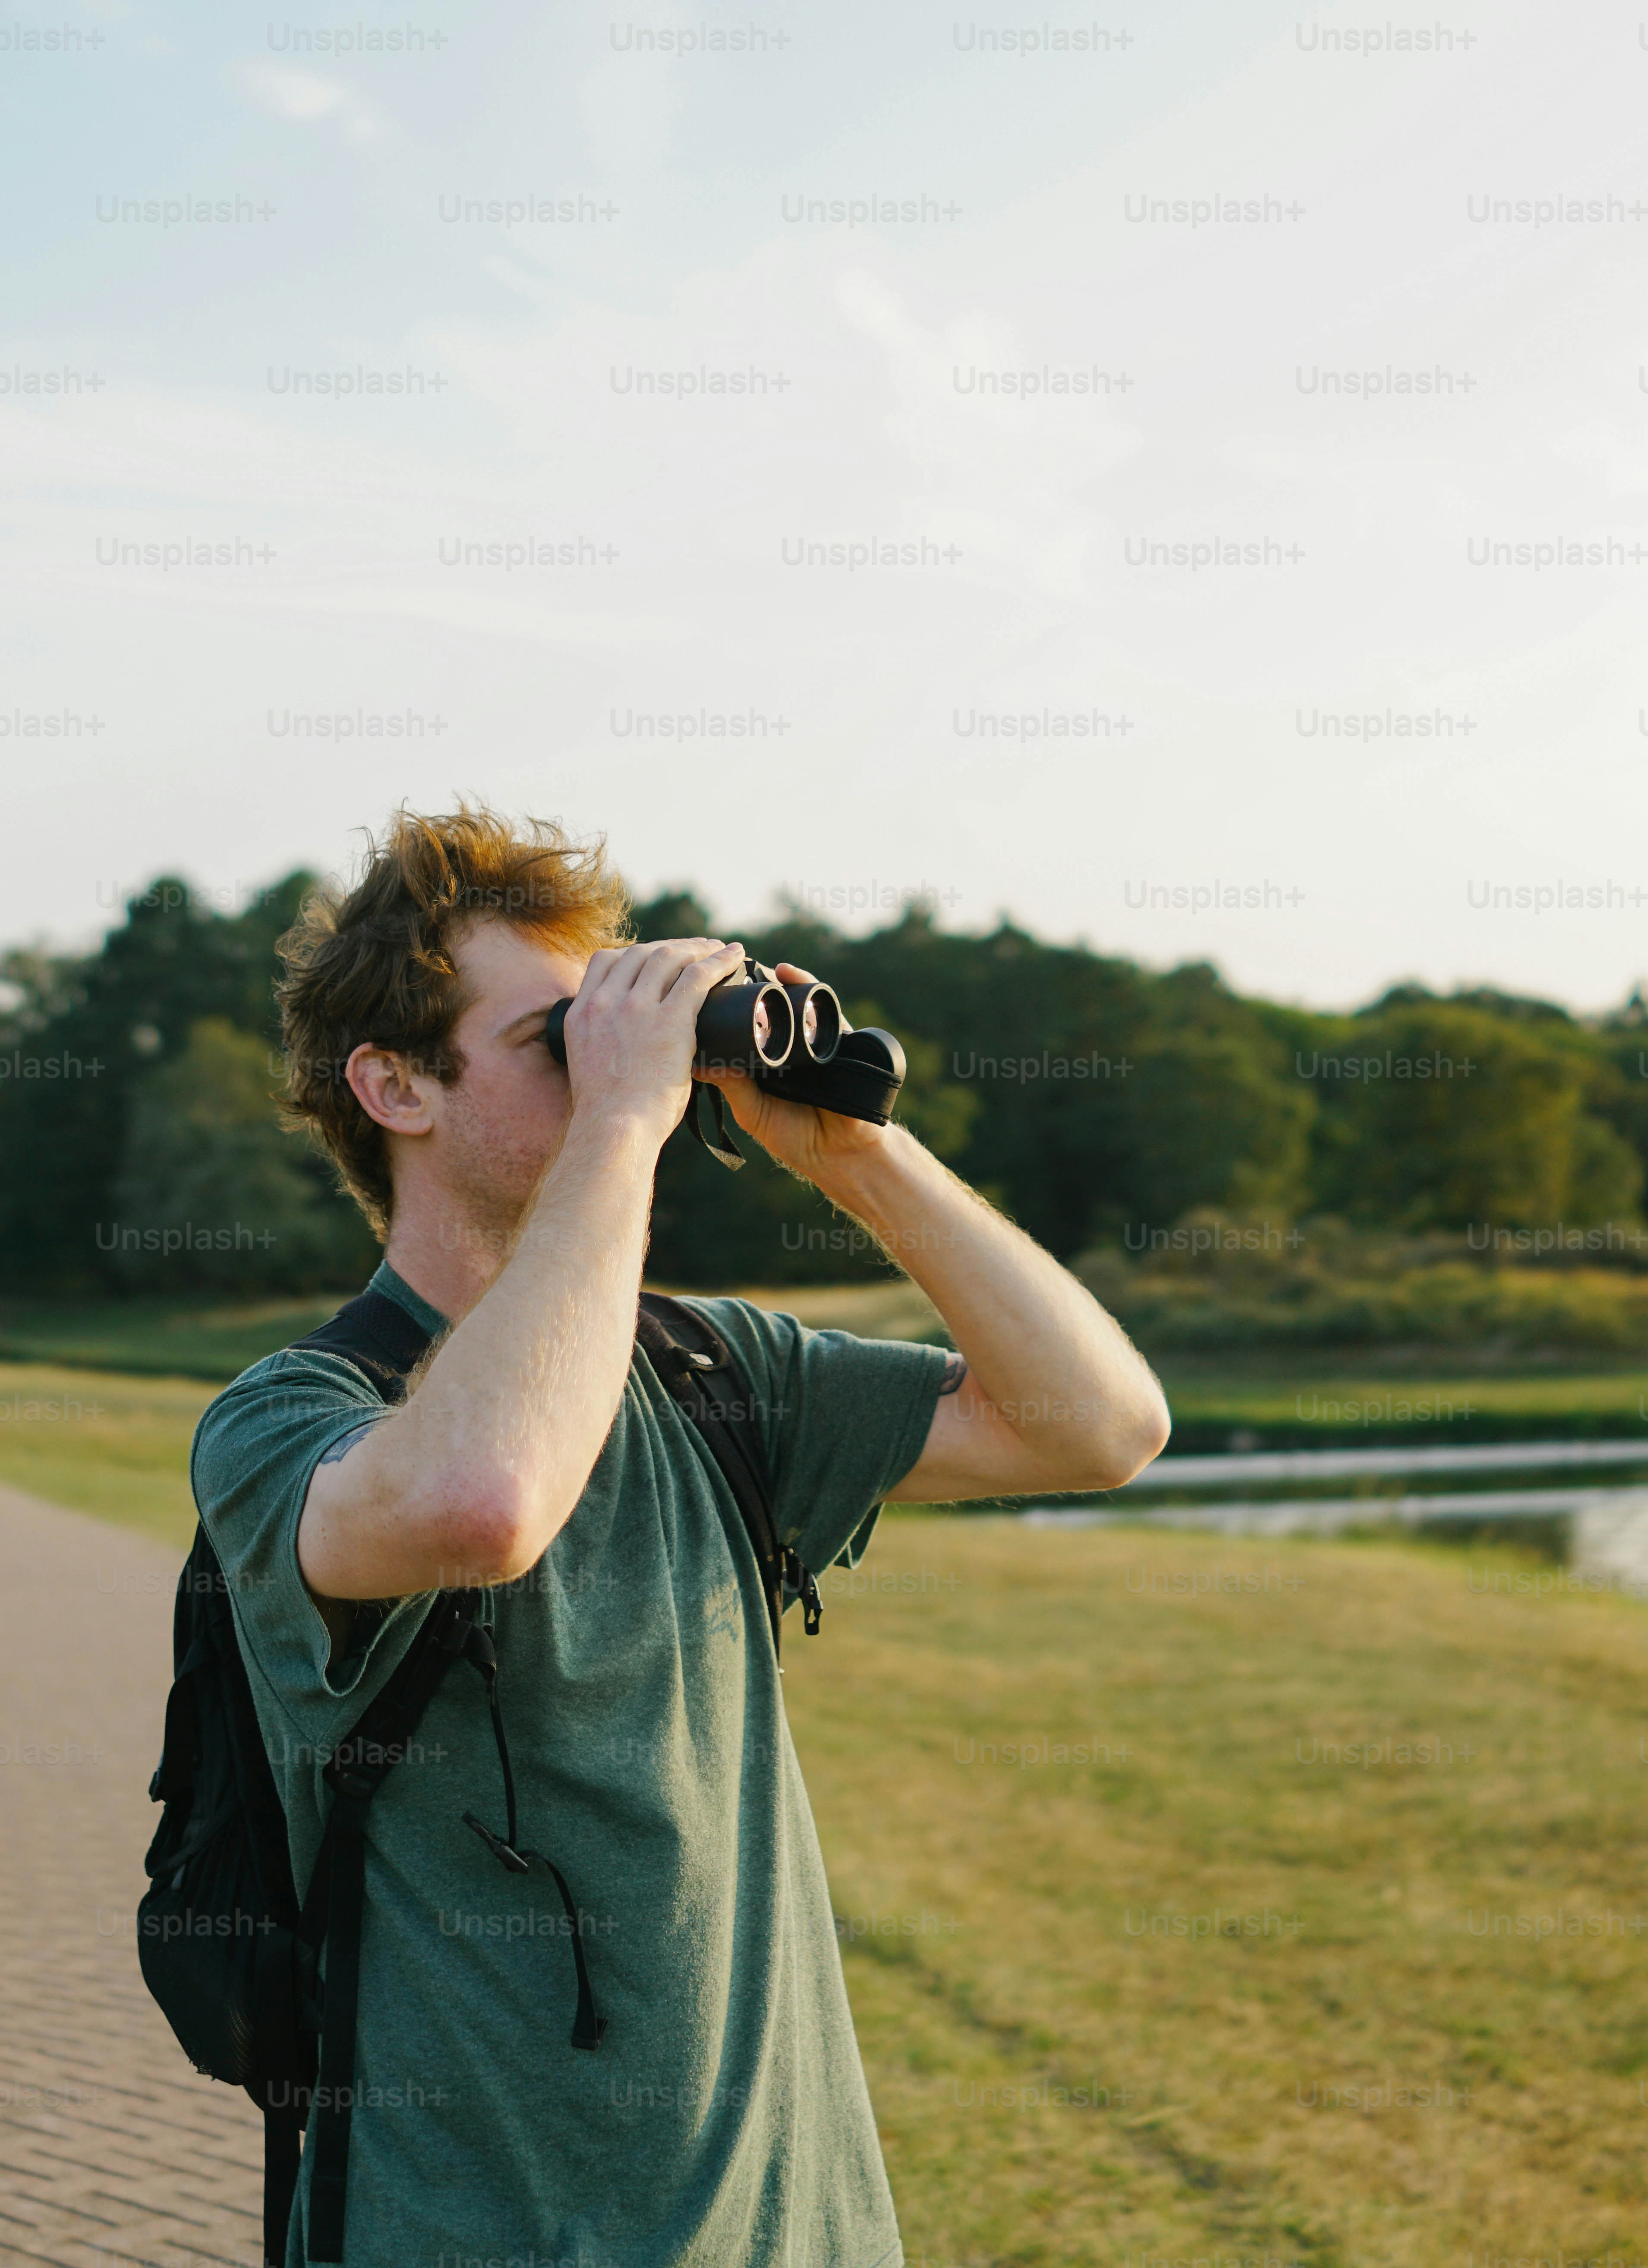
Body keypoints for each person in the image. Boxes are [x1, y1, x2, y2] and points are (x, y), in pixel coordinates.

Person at [192, 804, 1169, 2265]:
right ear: (393, 1084)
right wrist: (634, 1123)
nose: (609, 1071)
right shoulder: (291, 1418)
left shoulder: (716, 1375)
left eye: (620, 1029)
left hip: (800, 2229)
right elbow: (487, 1502)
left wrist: (849, 1153)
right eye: (560, 1041)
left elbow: (1097, 1425)